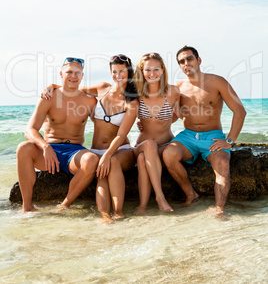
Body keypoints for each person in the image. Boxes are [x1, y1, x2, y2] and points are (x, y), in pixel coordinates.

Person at [42, 54, 139, 221]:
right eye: (114, 71)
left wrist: (108, 155)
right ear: (110, 72)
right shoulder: (102, 88)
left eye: (122, 71)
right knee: (101, 174)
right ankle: (104, 215)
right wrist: (52, 86)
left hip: (120, 149)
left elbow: (122, 134)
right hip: (96, 149)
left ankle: (119, 212)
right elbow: (73, 88)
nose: (118, 75)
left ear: (129, 72)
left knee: (112, 163)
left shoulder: (132, 102)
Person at [162, 45, 246, 216]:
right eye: (181, 61)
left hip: (213, 136)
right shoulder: (177, 87)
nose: (186, 63)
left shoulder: (218, 82)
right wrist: (147, 125)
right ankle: (190, 194)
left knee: (223, 163)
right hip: (187, 136)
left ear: (198, 60)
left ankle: (219, 209)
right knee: (168, 154)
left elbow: (240, 111)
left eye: (189, 58)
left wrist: (229, 141)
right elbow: (173, 117)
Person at [17, 57, 99, 213]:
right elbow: (30, 129)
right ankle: (27, 207)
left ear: (82, 76)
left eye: (77, 73)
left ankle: (64, 205)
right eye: (69, 72)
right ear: (61, 74)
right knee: (23, 148)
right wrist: (45, 146)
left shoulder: (89, 101)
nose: (73, 76)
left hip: (74, 152)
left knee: (91, 159)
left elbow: (105, 125)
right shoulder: (49, 97)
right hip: (49, 150)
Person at [133, 52, 180, 214]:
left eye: (156, 69)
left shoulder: (173, 92)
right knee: (148, 146)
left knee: (141, 159)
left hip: (165, 145)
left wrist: (164, 122)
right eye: (147, 70)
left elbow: (181, 115)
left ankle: (143, 206)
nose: (151, 73)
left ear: (162, 70)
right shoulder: (136, 94)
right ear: (141, 71)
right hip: (142, 144)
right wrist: (52, 87)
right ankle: (160, 197)